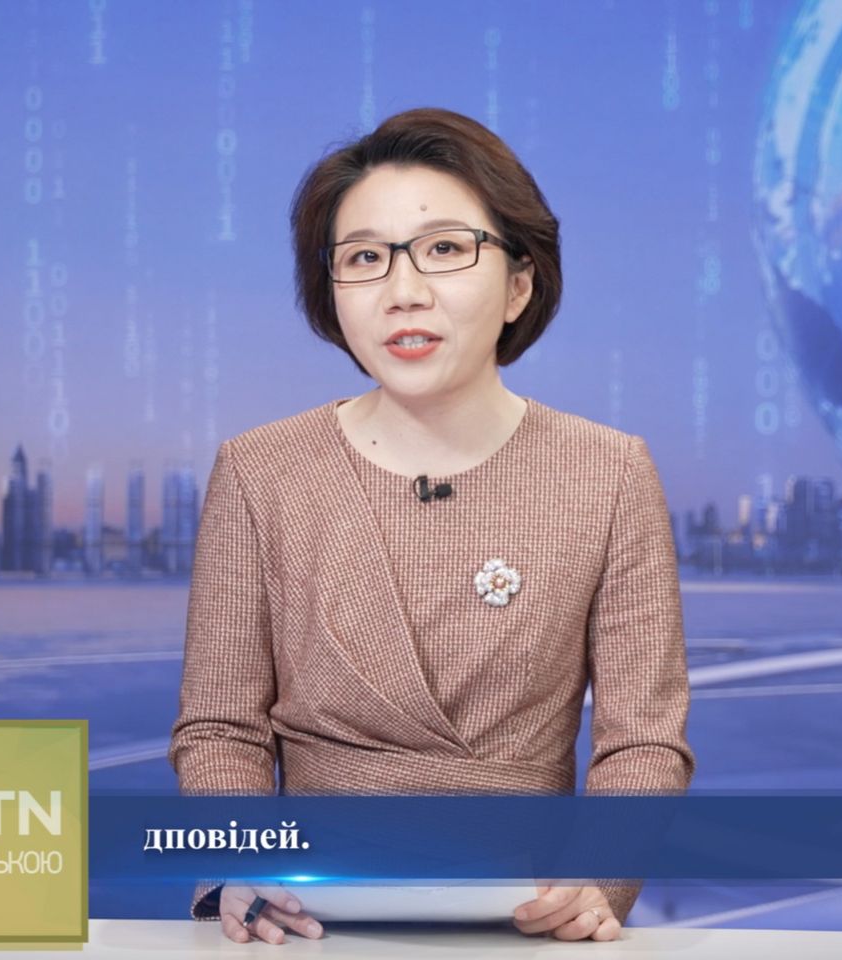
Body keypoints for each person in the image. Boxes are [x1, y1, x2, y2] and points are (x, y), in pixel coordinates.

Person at [167, 106, 696, 945]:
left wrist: (600, 877)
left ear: (519, 282)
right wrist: (241, 862)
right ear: (332, 293)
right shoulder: (260, 470)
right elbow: (220, 727)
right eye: (364, 258)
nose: (403, 291)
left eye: (445, 249)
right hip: (310, 921)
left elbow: (645, 743)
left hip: (530, 915)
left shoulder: (610, 472)